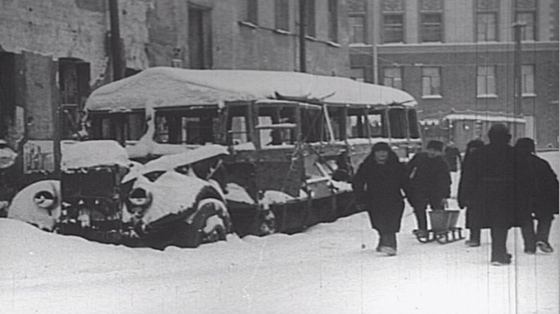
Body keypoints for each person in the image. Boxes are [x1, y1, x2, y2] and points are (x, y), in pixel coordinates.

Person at [460, 124, 516, 266]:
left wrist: (464, 195)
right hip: (507, 192)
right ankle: (499, 253)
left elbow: (468, 176)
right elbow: (523, 176)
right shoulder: (514, 153)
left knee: (492, 221)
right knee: (501, 224)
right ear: (507, 137)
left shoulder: (478, 153)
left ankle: (498, 254)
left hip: (483, 192)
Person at [352, 142, 410, 256]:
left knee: (392, 222)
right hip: (374, 199)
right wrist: (360, 198)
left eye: (384, 152)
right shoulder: (367, 166)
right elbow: (358, 183)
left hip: (394, 198)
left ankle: (391, 245)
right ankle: (383, 241)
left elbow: (406, 183)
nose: (382, 154)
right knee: (379, 222)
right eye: (379, 152)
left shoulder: (397, 166)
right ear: (374, 153)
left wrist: (413, 197)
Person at [514, 138, 559, 253]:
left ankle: (529, 246)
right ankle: (542, 238)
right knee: (545, 216)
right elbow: (552, 180)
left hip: (520, 196)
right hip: (541, 195)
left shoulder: (511, 164)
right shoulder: (540, 162)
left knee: (525, 219)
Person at [407, 140, 451, 237]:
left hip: (436, 190)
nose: (432, 153)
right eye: (430, 150)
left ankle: (439, 228)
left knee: (437, 209)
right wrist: (408, 183)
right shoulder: (419, 157)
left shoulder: (442, 162)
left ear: (440, 152)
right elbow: (408, 169)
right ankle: (422, 228)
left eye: (435, 151)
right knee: (419, 208)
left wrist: (445, 195)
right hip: (419, 188)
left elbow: (446, 180)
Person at [457, 139, 485, 247]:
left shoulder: (470, 160)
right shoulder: (468, 160)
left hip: (481, 191)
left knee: (476, 216)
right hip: (473, 193)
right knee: (474, 216)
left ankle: (475, 238)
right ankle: (474, 237)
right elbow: (464, 179)